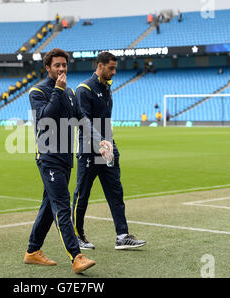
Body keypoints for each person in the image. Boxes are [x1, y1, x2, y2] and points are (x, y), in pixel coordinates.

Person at [24, 48, 107, 274]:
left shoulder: (70, 92)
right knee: (62, 205)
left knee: (49, 207)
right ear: (48, 68)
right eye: (57, 65)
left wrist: (100, 140)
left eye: (64, 65)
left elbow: (81, 118)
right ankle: (76, 256)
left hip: (65, 157)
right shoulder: (37, 91)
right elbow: (44, 119)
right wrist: (58, 91)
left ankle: (32, 251)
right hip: (48, 157)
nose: (61, 69)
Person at [72, 51, 146, 252]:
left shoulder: (107, 89)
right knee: (82, 195)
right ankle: (77, 236)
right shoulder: (84, 89)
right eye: (111, 68)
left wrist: (110, 144)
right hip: (89, 150)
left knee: (116, 191)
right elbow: (83, 121)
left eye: (115, 68)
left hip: (109, 150)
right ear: (100, 66)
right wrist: (101, 142)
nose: (114, 72)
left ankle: (122, 236)